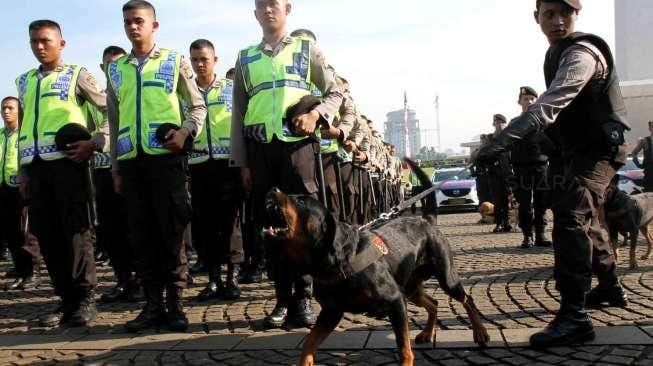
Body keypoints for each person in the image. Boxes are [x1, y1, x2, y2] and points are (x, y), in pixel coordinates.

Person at [478, 0, 629, 347]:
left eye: (567, 13)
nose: (558, 21)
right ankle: (609, 288)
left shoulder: (582, 53)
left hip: (600, 149)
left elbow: (551, 104)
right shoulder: (557, 53)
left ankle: (574, 317)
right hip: (578, 150)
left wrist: (501, 141)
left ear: (577, 15)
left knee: (570, 217)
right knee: (585, 219)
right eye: (550, 14)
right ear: (538, 18)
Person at [230, 0, 343, 328]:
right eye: (261, 5)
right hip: (260, 151)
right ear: (255, 13)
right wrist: (242, 162)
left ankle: (305, 298)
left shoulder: (308, 49)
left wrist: (315, 114)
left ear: (287, 9)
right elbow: (238, 113)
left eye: (274, 4)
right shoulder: (246, 57)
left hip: (298, 150)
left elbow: (335, 92)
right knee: (270, 227)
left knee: (304, 225)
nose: (268, 10)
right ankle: (282, 300)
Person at [106, 0, 206, 332]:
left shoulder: (174, 61)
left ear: (154, 25)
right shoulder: (116, 70)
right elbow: (114, 118)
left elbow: (198, 106)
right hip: (132, 164)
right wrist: (116, 168)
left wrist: (185, 132)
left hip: (166, 161)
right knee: (141, 234)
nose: (132, 27)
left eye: (138, 21)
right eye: (127, 22)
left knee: (171, 232)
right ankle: (152, 305)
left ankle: (176, 305)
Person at [17, 19, 108, 327]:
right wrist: (23, 172)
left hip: (69, 164)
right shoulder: (24, 81)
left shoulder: (77, 76)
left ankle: (85, 299)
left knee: (76, 233)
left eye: (45, 40)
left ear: (61, 43)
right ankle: (65, 299)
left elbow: (111, 109)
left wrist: (95, 142)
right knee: (47, 235)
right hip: (37, 169)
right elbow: (25, 129)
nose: (39, 47)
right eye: (34, 42)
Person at [187, 39, 244, 302]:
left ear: (215, 61)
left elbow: (242, 124)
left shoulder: (231, 89)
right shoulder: (185, 92)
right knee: (205, 225)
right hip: (198, 166)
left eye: (204, 59)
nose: (199, 64)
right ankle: (213, 279)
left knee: (230, 223)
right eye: (195, 60)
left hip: (227, 165)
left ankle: (232, 277)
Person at [1, 97, 39, 290]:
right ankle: (22, 272)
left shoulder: (26, 134)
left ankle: (32, 273)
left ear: (19, 111)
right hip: (3, 188)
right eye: (3, 108)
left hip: (21, 188)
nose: (6, 112)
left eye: (10, 108)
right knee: (11, 234)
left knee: (26, 233)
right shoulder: (1, 135)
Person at [510, 87, 552, 248]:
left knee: (541, 203)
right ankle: (527, 236)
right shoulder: (514, 123)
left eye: (532, 98)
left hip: (541, 167)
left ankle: (541, 234)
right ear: (520, 102)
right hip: (521, 169)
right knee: (525, 204)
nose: (529, 101)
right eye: (525, 99)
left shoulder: (544, 121)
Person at [488, 114, 513, 233]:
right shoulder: (490, 138)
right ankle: (498, 223)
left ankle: (507, 222)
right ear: (494, 124)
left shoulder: (510, 137)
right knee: (498, 200)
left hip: (508, 173)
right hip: (495, 174)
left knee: (508, 199)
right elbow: (485, 155)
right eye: (497, 122)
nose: (499, 125)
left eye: (502, 122)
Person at [631, 121, 653, 192]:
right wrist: (638, 164)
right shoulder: (645, 141)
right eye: (652, 126)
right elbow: (634, 153)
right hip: (649, 171)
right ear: (649, 128)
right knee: (649, 192)